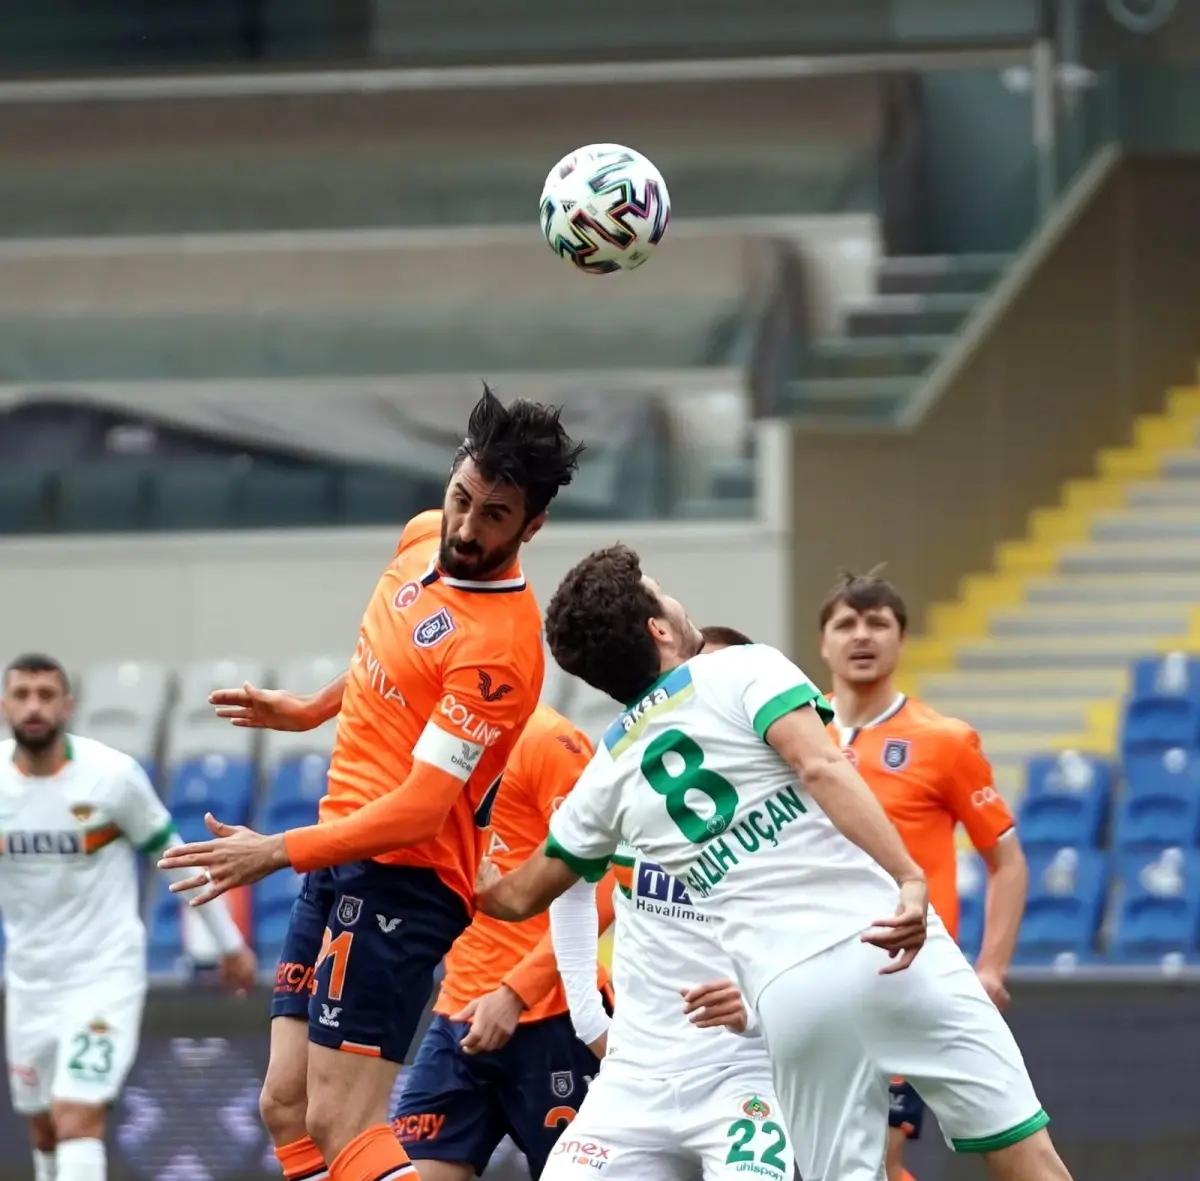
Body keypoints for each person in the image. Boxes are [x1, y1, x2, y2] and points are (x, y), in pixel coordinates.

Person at [474, 545, 1073, 1181]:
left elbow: (520, 897)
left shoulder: (605, 775)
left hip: (791, 993)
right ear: (659, 628)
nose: (675, 601)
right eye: (662, 593)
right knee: (1025, 1156)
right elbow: (819, 764)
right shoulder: (741, 669)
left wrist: (478, 874)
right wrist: (908, 875)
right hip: (893, 947)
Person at [158, 388, 583, 1181]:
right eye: (462, 498)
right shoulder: (423, 534)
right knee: (286, 1105)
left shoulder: (499, 648)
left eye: (495, 515)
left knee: (343, 1120)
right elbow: (389, 655)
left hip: (406, 882)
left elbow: (424, 808)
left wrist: (276, 850)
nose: (465, 527)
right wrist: (311, 708)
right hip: (339, 854)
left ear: (532, 527)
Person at [543, 624, 796, 1181]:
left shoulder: (793, 815)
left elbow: (828, 941)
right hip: (631, 1077)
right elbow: (570, 884)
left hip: (745, 1073)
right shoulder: (630, 773)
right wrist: (589, 1020)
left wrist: (759, 1007)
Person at [0, 653, 257, 1181]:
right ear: (5, 704)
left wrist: (229, 945)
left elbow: (174, 859)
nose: (33, 706)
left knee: (77, 1114)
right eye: (22, 694)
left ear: (67, 706)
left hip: (102, 974)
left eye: (46, 695)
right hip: (28, 980)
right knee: (45, 1127)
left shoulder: (112, 777)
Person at [818, 569, 1029, 1181]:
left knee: (883, 1154)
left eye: (878, 622)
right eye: (846, 623)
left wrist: (990, 965)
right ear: (824, 643)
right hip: (813, 978)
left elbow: (1006, 860)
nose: (862, 635)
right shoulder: (796, 741)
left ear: (901, 640)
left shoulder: (945, 741)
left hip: (906, 979)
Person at [392, 702, 613, 1181]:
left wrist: (515, 992)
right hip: (460, 1018)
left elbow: (604, 884)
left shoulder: (551, 743)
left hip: (553, 1020)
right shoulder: (436, 739)